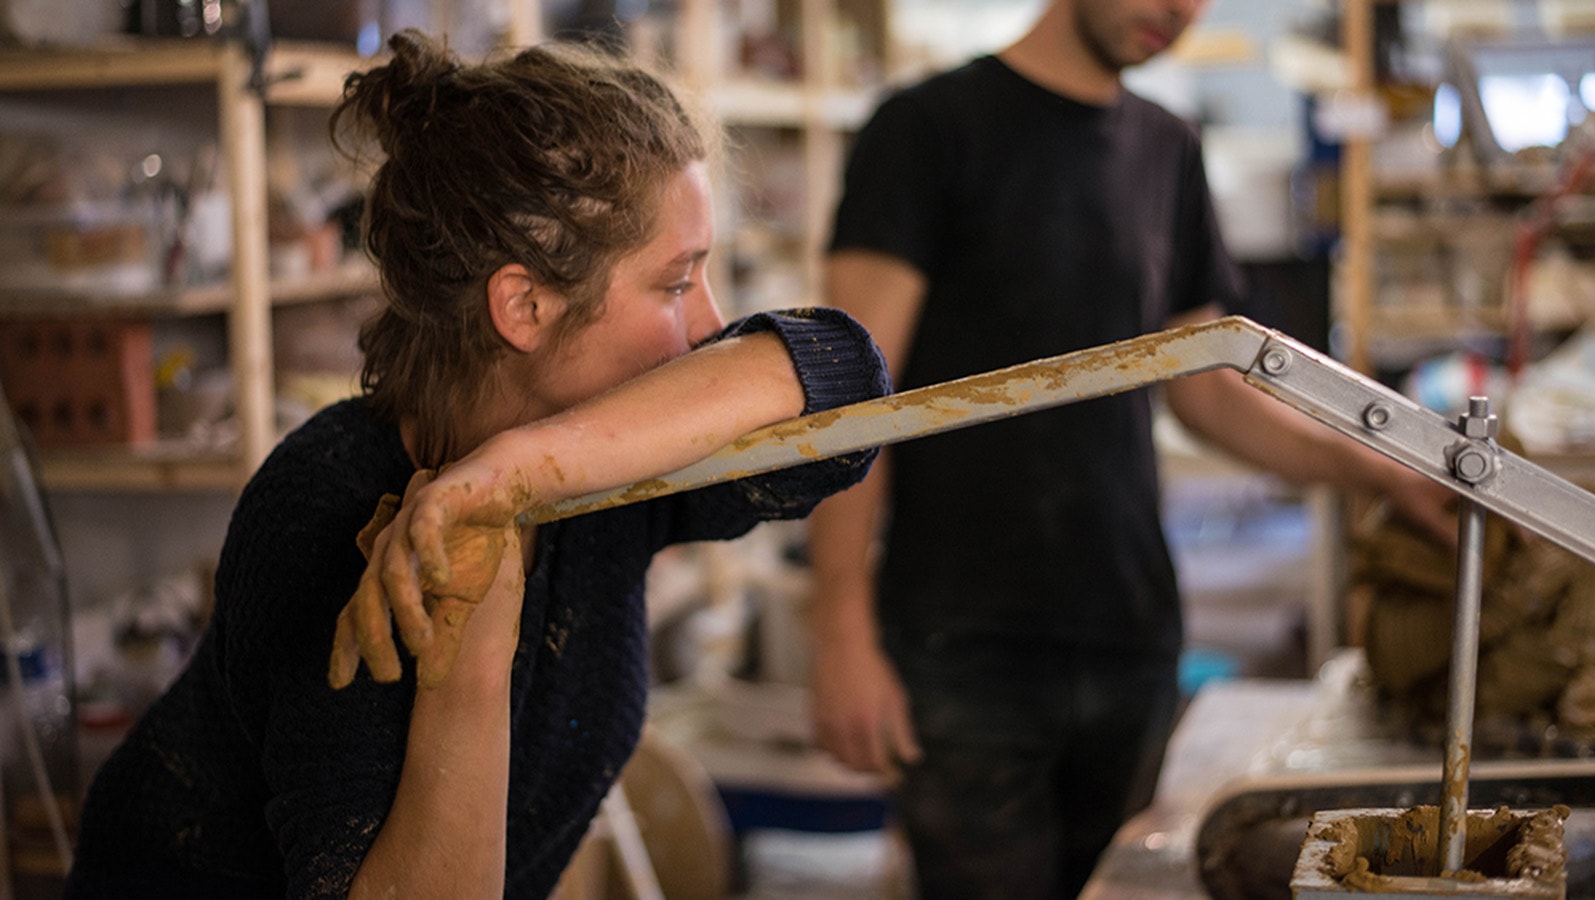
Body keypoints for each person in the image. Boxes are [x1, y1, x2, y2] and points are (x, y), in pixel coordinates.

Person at [66, 31, 889, 899]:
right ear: (524, 304)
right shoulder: (329, 511)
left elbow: (847, 386)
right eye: (677, 285)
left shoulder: (604, 467)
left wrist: (515, 471)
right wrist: (473, 638)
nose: (711, 328)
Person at [803, 1, 1457, 897]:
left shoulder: (1168, 148)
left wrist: (1384, 472)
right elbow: (847, 399)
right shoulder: (926, 129)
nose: (1178, 9)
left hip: (1129, 628)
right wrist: (839, 624)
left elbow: (1206, 391)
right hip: (964, 644)